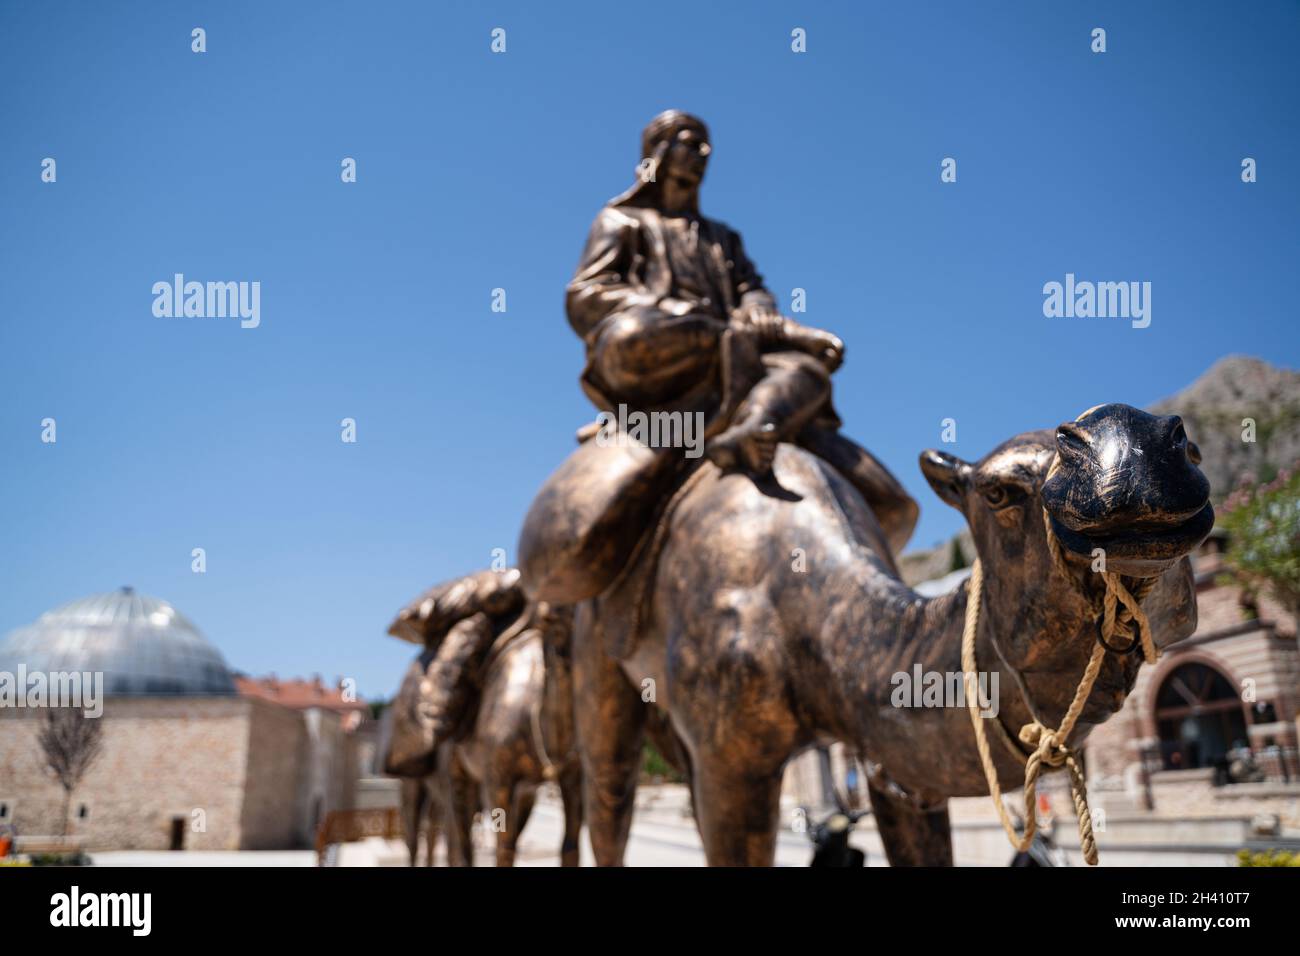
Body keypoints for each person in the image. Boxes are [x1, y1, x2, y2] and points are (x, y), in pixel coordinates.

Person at [566, 110, 917, 550]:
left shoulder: (723, 239)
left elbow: (753, 289)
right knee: (630, 335)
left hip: (740, 358)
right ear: (659, 153)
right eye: (690, 142)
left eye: (705, 145)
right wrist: (675, 311)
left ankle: (751, 428)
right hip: (667, 350)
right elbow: (586, 293)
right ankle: (718, 408)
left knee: (806, 370)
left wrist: (761, 314)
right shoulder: (620, 222)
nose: (704, 153)